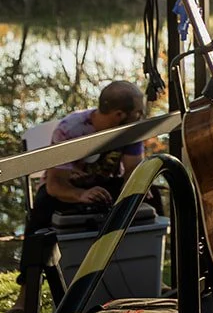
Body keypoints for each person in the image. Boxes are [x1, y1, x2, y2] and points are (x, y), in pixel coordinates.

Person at [28, 80, 148, 229]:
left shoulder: (131, 130)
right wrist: (80, 194)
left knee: (149, 197)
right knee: (44, 207)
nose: (142, 117)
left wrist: (136, 187)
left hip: (107, 185)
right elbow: (55, 183)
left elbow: (133, 169)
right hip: (67, 188)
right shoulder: (69, 130)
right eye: (139, 112)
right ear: (119, 114)